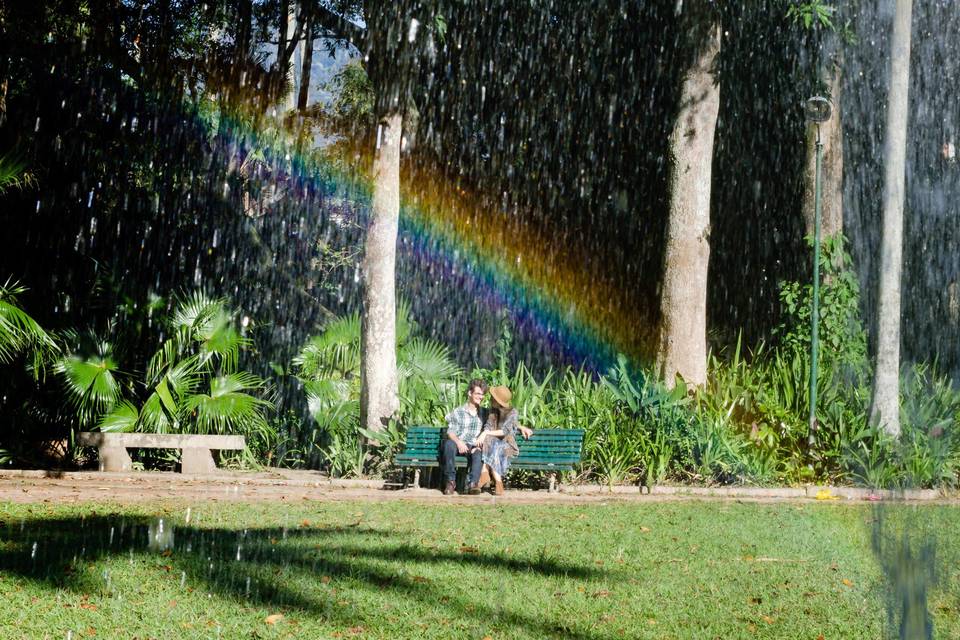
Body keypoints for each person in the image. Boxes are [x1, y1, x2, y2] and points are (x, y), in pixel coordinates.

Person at [475, 385, 533, 495]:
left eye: (493, 397)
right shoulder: (493, 411)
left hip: (507, 444)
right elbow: (488, 426)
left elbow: (505, 431)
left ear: (498, 401)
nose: (491, 398)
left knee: (496, 446)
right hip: (492, 443)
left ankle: (485, 472)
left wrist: (486, 433)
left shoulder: (513, 412)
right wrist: (486, 432)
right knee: (493, 444)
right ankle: (498, 482)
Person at [441, 378, 487, 495]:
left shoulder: (485, 413)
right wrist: (459, 442)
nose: (480, 397)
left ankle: (473, 484)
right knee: (449, 444)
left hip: (473, 445)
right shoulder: (458, 412)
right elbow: (450, 432)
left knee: (479, 452)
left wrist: (521, 427)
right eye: (477, 393)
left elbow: (503, 421)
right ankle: (451, 481)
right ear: (470, 393)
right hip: (458, 444)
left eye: (482, 394)